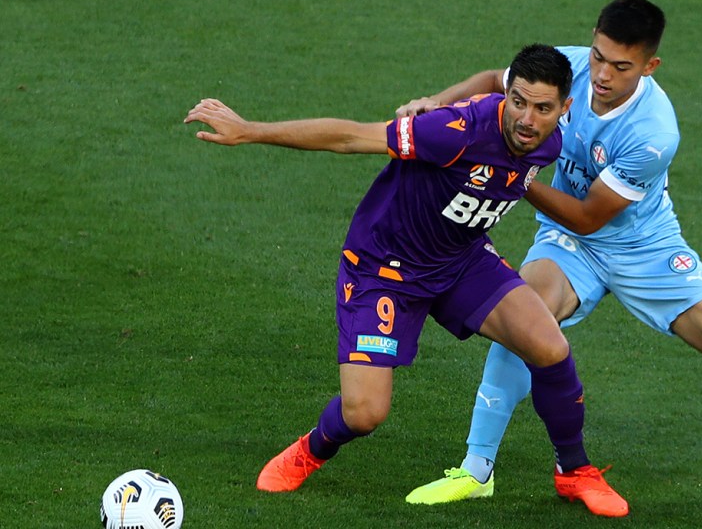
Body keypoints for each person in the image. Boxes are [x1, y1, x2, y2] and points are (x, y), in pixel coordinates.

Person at [399, 0, 702, 507]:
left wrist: (511, 172)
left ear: (650, 66)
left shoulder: (654, 132)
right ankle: (477, 470)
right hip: (569, 247)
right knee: (525, 323)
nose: (602, 74)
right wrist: (436, 101)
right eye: (599, 55)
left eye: (620, 66)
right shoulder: (573, 67)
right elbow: (497, 78)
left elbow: (588, 214)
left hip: (645, 248)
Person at [184, 44, 630, 517]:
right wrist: (250, 130)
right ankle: (312, 448)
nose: (527, 118)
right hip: (385, 269)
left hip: (460, 260)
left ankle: (574, 471)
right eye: (518, 101)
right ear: (507, 94)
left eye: (543, 108)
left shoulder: (549, 142)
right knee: (364, 414)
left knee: (549, 346)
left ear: (565, 109)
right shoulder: (453, 133)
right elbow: (352, 137)